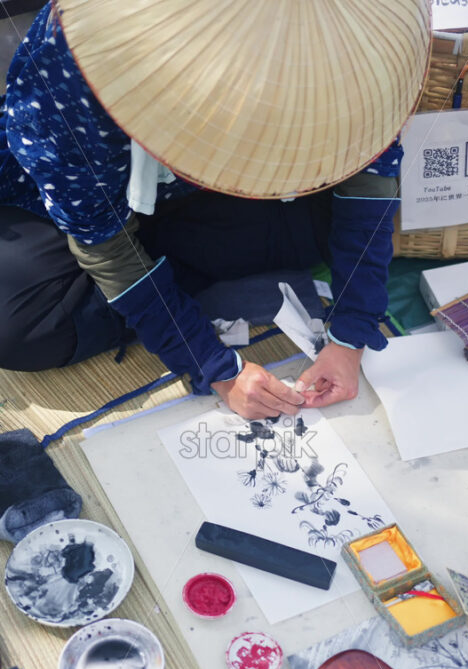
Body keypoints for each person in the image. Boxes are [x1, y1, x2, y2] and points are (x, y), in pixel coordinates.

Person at [0, 0, 430, 419]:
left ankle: (170, 284)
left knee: (327, 225)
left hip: (234, 199)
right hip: (76, 206)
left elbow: (369, 174)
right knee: (18, 323)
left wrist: (352, 331)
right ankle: (179, 285)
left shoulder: (360, 41)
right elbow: (104, 244)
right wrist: (212, 365)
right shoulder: (76, 61)